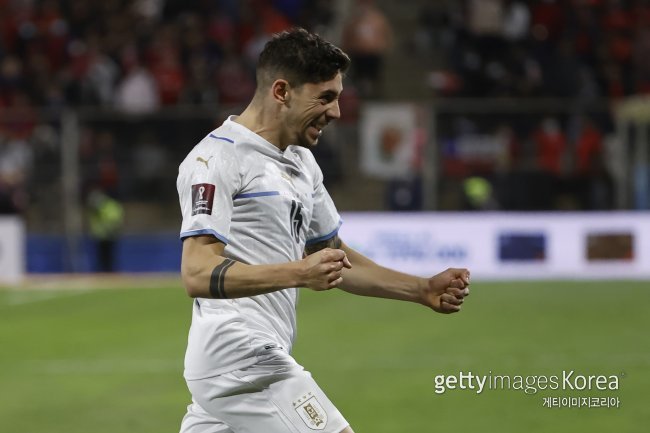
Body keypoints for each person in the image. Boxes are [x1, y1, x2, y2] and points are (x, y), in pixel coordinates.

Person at [176, 28, 471, 433]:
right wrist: (299, 272)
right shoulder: (217, 159)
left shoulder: (301, 162)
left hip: (245, 360)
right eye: (325, 97)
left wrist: (421, 289)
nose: (336, 112)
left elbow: (333, 258)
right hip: (239, 355)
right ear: (282, 91)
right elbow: (197, 273)